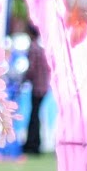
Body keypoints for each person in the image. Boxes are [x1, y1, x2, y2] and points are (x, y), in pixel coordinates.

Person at [23, 25, 51, 156]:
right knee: (36, 114)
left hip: (38, 88)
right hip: (43, 86)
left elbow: (31, 69)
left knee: (34, 115)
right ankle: (35, 143)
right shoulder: (41, 49)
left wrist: (23, 79)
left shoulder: (33, 48)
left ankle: (32, 144)